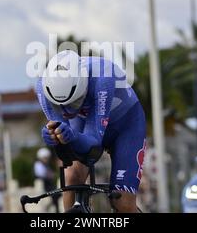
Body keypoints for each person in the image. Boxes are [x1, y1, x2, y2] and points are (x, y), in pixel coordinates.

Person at [36, 50, 146, 213]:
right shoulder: (42, 87)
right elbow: (62, 136)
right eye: (60, 106)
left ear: (84, 86)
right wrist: (51, 134)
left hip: (125, 125)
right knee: (71, 180)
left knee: (122, 202)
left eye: (73, 103)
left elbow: (93, 142)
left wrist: (71, 136)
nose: (66, 112)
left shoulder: (103, 79)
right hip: (85, 122)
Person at [33, 147, 60, 213]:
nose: (47, 159)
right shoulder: (38, 165)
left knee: (57, 194)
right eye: (45, 158)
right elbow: (42, 174)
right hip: (45, 186)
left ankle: (55, 209)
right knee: (55, 195)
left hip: (49, 185)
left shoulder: (46, 165)